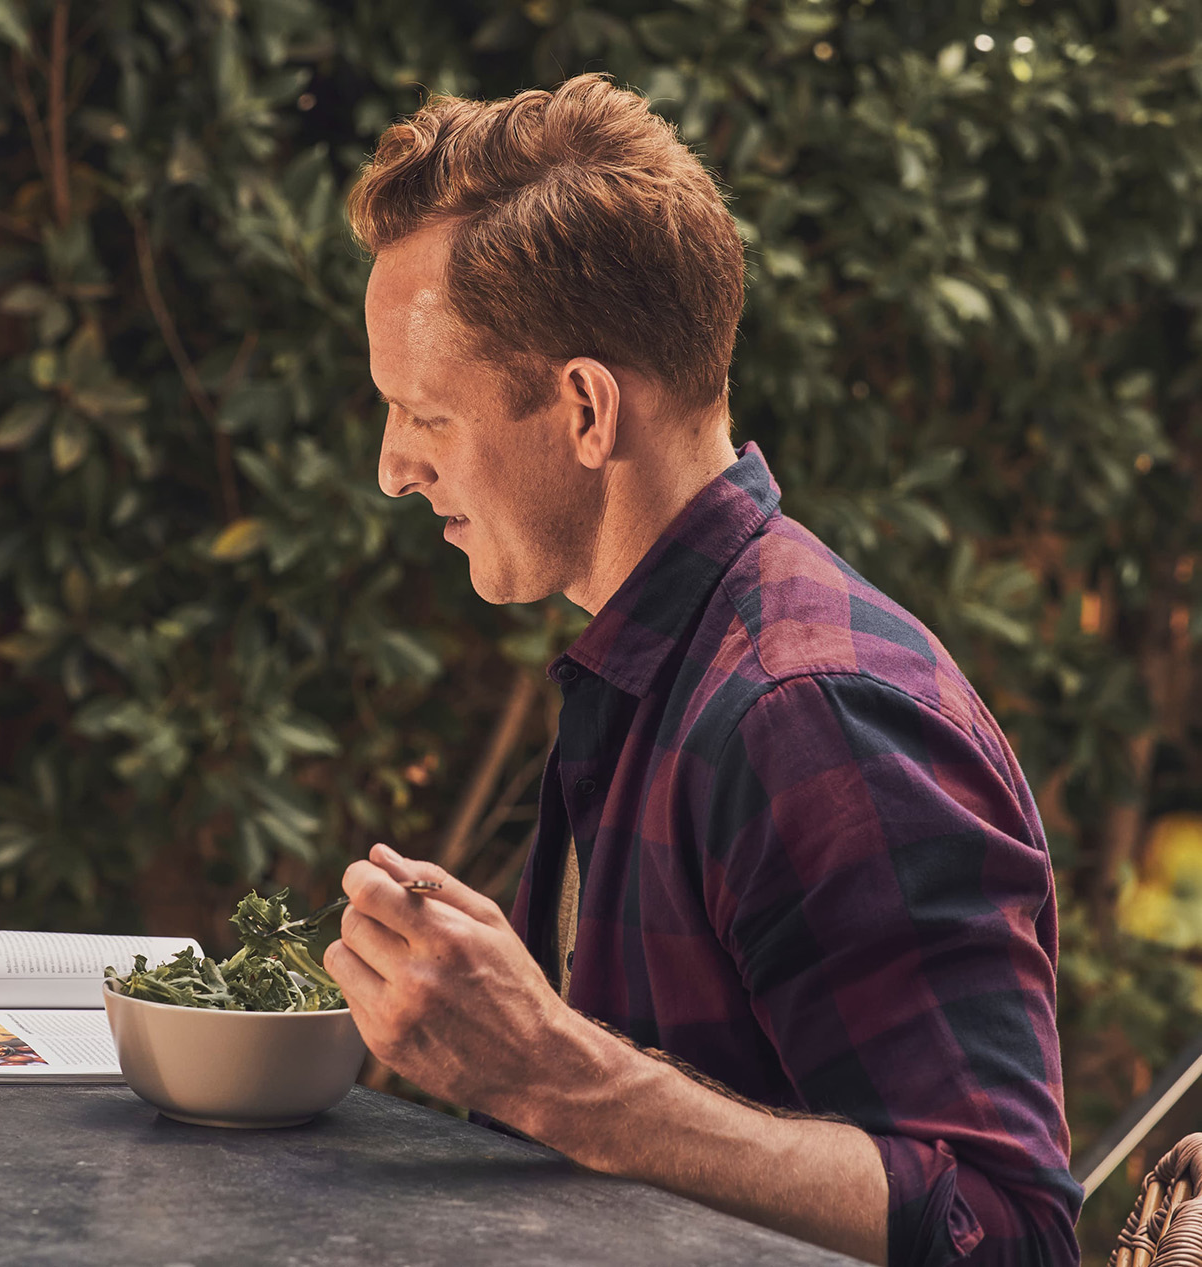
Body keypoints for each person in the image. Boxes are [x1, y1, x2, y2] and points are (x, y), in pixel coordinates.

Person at [321, 75, 1081, 1267]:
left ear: (583, 407)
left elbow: (1010, 1234)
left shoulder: (811, 714)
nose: (392, 468)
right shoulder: (657, 662)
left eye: (425, 413)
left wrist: (558, 1078)